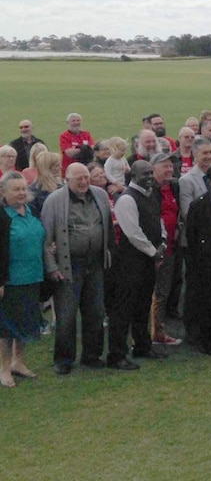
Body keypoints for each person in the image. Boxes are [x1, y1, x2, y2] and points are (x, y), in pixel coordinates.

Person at [42, 163, 114, 374]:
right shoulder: (54, 201)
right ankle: (63, 359)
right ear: (67, 180)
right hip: (68, 265)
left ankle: (91, 355)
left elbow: (107, 227)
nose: (83, 182)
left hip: (95, 263)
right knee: (66, 315)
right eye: (78, 179)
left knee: (96, 312)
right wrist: (52, 267)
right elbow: (46, 240)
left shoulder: (99, 194)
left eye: (86, 177)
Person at [109, 161, 167, 370]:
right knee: (124, 308)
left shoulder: (152, 194)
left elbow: (157, 221)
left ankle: (142, 345)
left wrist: (163, 241)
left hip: (148, 259)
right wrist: (154, 252)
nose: (150, 176)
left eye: (151, 172)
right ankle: (117, 354)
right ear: (133, 175)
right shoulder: (127, 199)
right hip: (130, 261)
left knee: (143, 304)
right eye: (145, 173)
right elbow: (132, 232)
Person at [0, 172, 45, 387]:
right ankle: (4, 367)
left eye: (23, 188)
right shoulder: (2, 217)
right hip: (11, 281)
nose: (20, 193)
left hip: (33, 276)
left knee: (25, 323)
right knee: (7, 328)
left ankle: (19, 362)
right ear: (3, 192)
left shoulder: (31, 210)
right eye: (15, 189)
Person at [148, 153, 183, 346]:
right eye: (165, 166)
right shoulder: (150, 190)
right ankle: (156, 333)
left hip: (172, 246)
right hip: (156, 248)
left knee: (164, 290)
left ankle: (156, 330)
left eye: (171, 166)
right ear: (153, 169)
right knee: (158, 291)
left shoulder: (174, 187)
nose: (169, 169)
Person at [27, 151, 62, 216]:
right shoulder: (33, 192)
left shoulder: (62, 185)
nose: (61, 167)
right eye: (57, 165)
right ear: (47, 168)